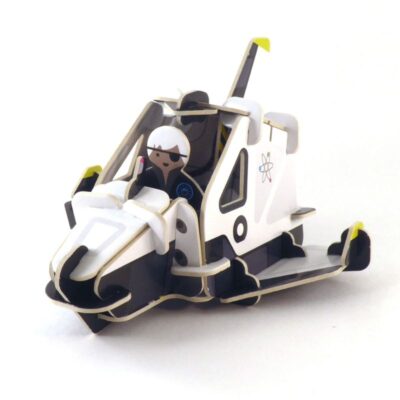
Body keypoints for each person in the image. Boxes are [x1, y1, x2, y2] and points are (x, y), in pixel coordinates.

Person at [128, 126, 203, 211]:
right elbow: (134, 195)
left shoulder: (186, 183)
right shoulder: (145, 177)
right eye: (158, 154)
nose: (165, 160)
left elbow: (199, 205)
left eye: (174, 157)